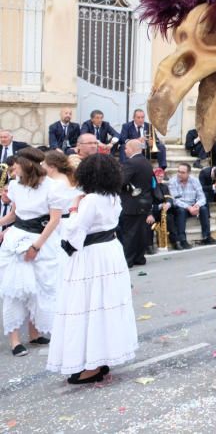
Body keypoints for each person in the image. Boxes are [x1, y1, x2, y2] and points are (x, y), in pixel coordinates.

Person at [46, 153, 138, 383]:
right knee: (104, 305)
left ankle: (92, 365)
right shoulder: (113, 197)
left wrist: (74, 208)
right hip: (110, 252)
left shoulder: (90, 200)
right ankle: (101, 358)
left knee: (88, 306)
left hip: (92, 255)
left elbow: (74, 230)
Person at [0, 147, 61, 356]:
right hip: (17, 239)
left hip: (42, 240)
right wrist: (1, 224)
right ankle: (15, 341)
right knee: (15, 289)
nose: (12, 170)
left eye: (15, 166)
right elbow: (14, 215)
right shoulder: (15, 186)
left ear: (27, 165)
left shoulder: (52, 187)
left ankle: (35, 334)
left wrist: (37, 246)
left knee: (40, 288)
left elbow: (54, 220)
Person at [119, 139, 156, 267]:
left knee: (129, 233)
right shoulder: (147, 162)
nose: (125, 151)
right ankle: (139, 258)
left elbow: (122, 182)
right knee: (140, 232)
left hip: (131, 202)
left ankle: (128, 260)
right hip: (144, 202)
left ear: (132, 149)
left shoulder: (131, 163)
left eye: (126, 148)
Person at [166, 163, 211, 249]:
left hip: (193, 206)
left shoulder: (195, 180)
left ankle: (206, 237)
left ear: (188, 173)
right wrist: (188, 207)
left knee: (204, 208)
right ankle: (182, 240)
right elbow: (175, 200)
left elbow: (202, 197)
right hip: (181, 207)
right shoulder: (172, 181)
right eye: (178, 171)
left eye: (182, 172)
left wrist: (197, 205)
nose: (179, 174)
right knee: (181, 211)